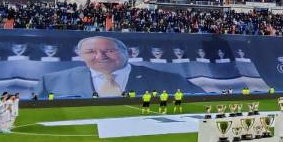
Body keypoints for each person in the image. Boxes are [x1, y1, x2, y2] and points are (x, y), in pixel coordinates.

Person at [31, 36, 195, 98]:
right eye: (90, 52)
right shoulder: (50, 82)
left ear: (129, 53)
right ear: (80, 55)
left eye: (109, 51)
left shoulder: (172, 80)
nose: (100, 56)